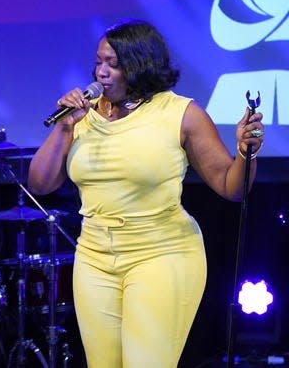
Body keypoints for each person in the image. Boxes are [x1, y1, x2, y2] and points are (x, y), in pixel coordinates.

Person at [28, 19, 265, 368]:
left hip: (161, 254)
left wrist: (246, 152)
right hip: (94, 258)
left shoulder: (180, 114)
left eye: (113, 64)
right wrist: (65, 127)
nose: (101, 73)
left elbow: (231, 187)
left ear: (140, 67)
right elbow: (39, 183)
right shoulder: (82, 116)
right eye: (98, 62)